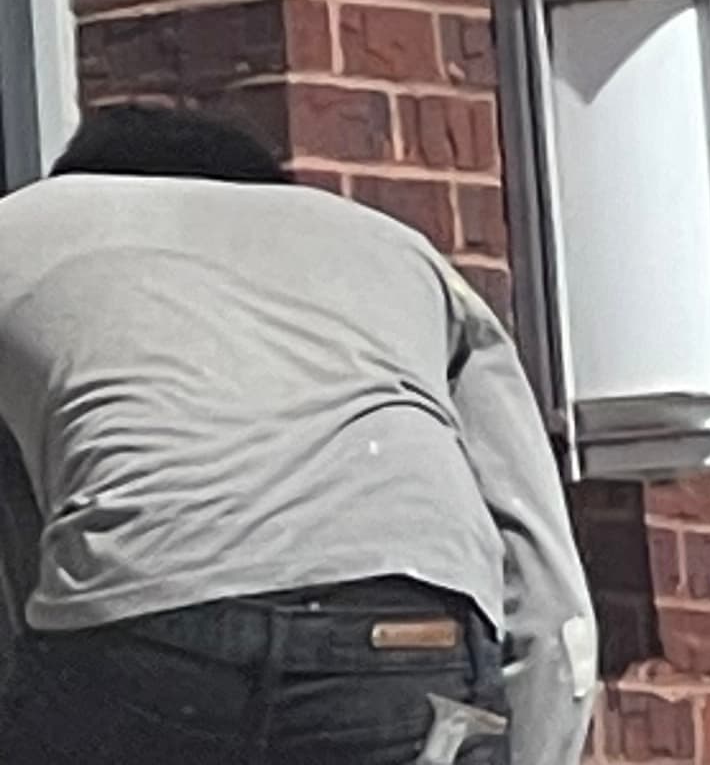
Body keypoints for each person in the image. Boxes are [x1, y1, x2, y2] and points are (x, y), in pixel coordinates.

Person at [0, 103, 598, 763]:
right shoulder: (396, 251)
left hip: (144, 635)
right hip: (405, 638)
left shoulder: (22, 229)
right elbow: (548, 592)